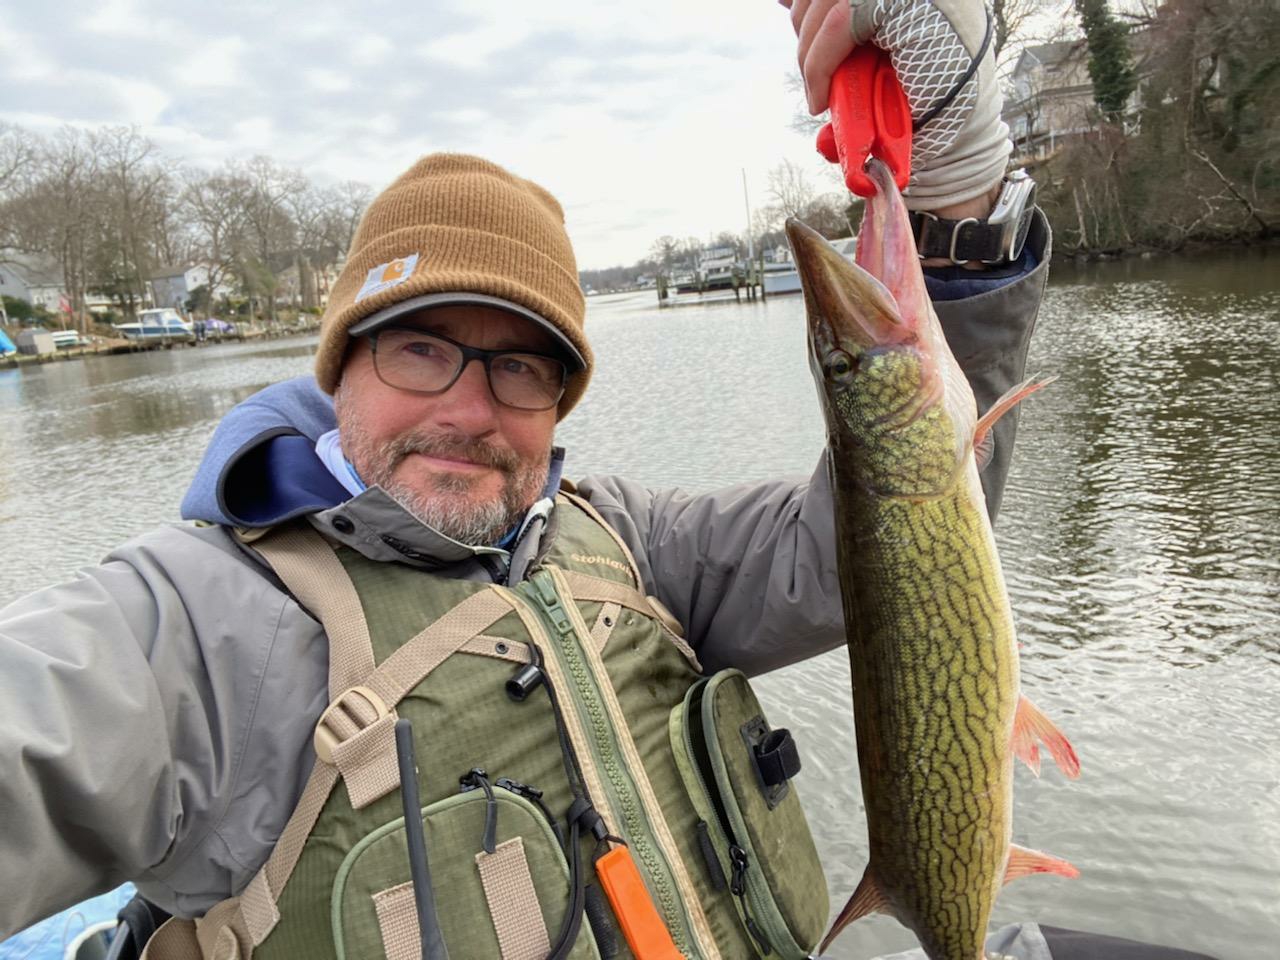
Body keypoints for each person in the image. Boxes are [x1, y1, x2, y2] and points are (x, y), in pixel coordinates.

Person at [0, 3, 1214, 960]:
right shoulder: (186, 631)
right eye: (422, 346)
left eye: (523, 367)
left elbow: (883, 546)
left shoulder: (622, 540)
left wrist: (956, 190)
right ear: (341, 368)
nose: (470, 409)